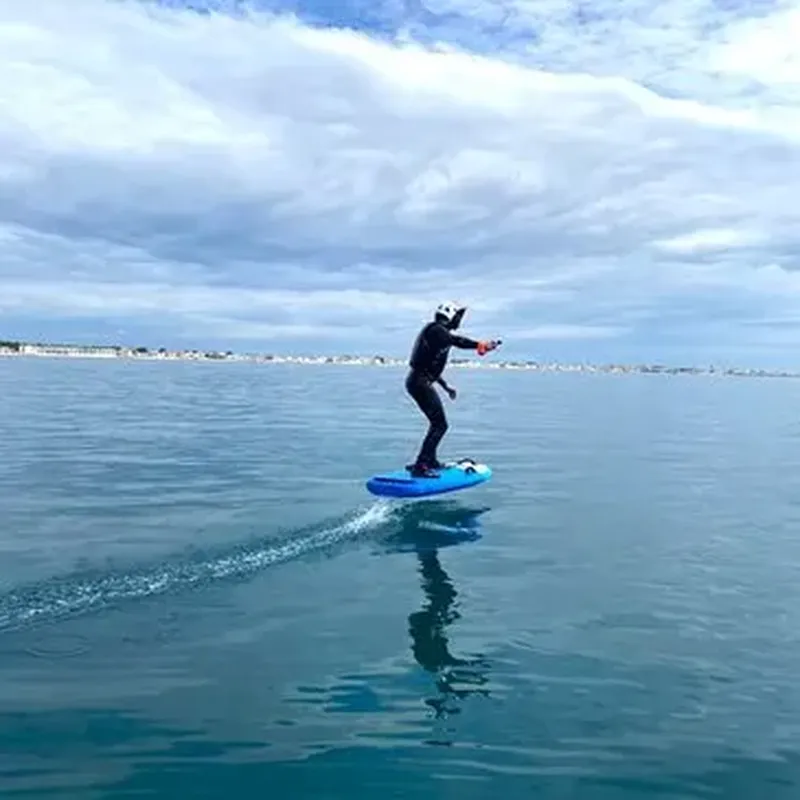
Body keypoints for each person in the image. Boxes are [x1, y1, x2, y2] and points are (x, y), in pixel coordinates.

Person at [405, 302, 500, 476]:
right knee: (440, 425)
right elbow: (458, 341)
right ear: (450, 315)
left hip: (419, 381)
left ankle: (429, 460)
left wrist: (445, 386)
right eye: (458, 317)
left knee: (437, 424)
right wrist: (480, 345)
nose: (459, 321)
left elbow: (427, 367)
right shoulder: (436, 330)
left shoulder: (439, 334)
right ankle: (421, 465)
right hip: (419, 383)